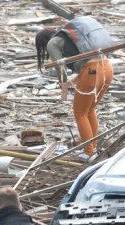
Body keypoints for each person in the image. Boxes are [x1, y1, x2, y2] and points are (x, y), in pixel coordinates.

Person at [35, 16, 115, 156]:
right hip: (107, 68)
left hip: (93, 72)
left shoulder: (52, 43)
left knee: (80, 113)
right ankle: (93, 148)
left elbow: (60, 67)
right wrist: (73, 81)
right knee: (89, 110)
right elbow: (86, 66)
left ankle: (89, 152)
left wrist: (64, 89)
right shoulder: (73, 40)